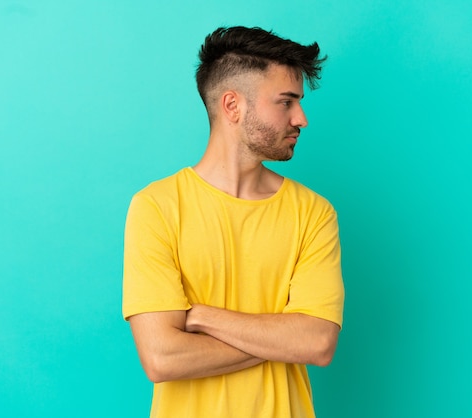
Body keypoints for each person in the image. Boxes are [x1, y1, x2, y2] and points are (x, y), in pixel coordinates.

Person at [122, 26, 345, 418]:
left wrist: (203, 317)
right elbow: (161, 358)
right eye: (286, 102)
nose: (302, 119)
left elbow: (317, 343)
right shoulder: (156, 206)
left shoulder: (314, 212)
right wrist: (281, 337)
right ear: (232, 106)